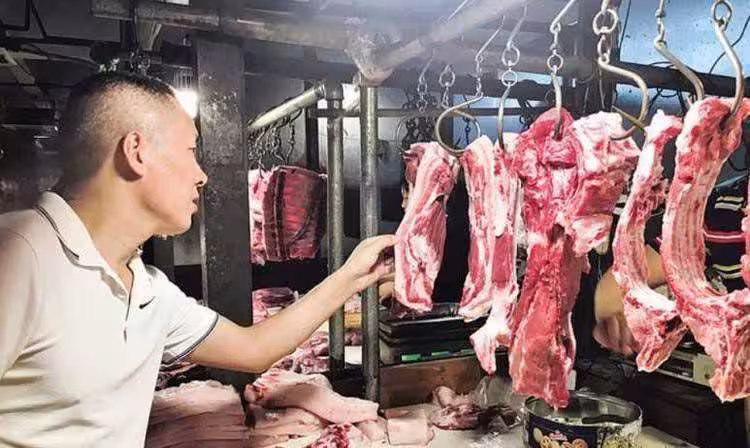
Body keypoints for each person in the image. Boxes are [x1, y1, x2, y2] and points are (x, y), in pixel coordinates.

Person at [0, 71, 396, 447]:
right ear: (136, 152)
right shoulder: (20, 254)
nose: (201, 175)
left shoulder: (148, 289)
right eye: (191, 152)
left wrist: (353, 274)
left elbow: (253, 348)